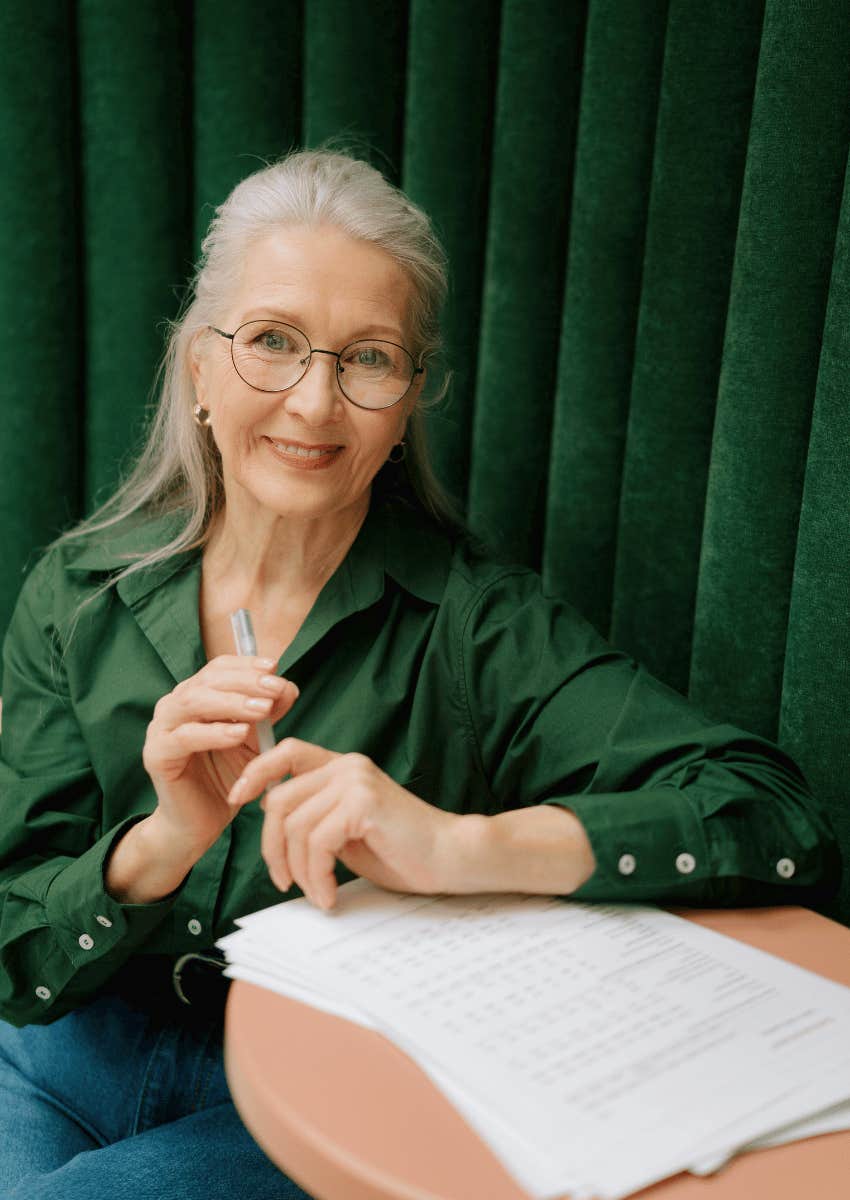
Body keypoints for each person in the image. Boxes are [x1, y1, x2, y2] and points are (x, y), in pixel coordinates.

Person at [0, 146, 841, 1199]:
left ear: (404, 404)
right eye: (272, 341)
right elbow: (15, 948)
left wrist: (454, 846)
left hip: (308, 1092)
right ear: (200, 370)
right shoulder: (76, 591)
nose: (315, 403)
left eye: (368, 358)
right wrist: (160, 844)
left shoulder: (480, 624)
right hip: (61, 1052)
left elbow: (771, 816)